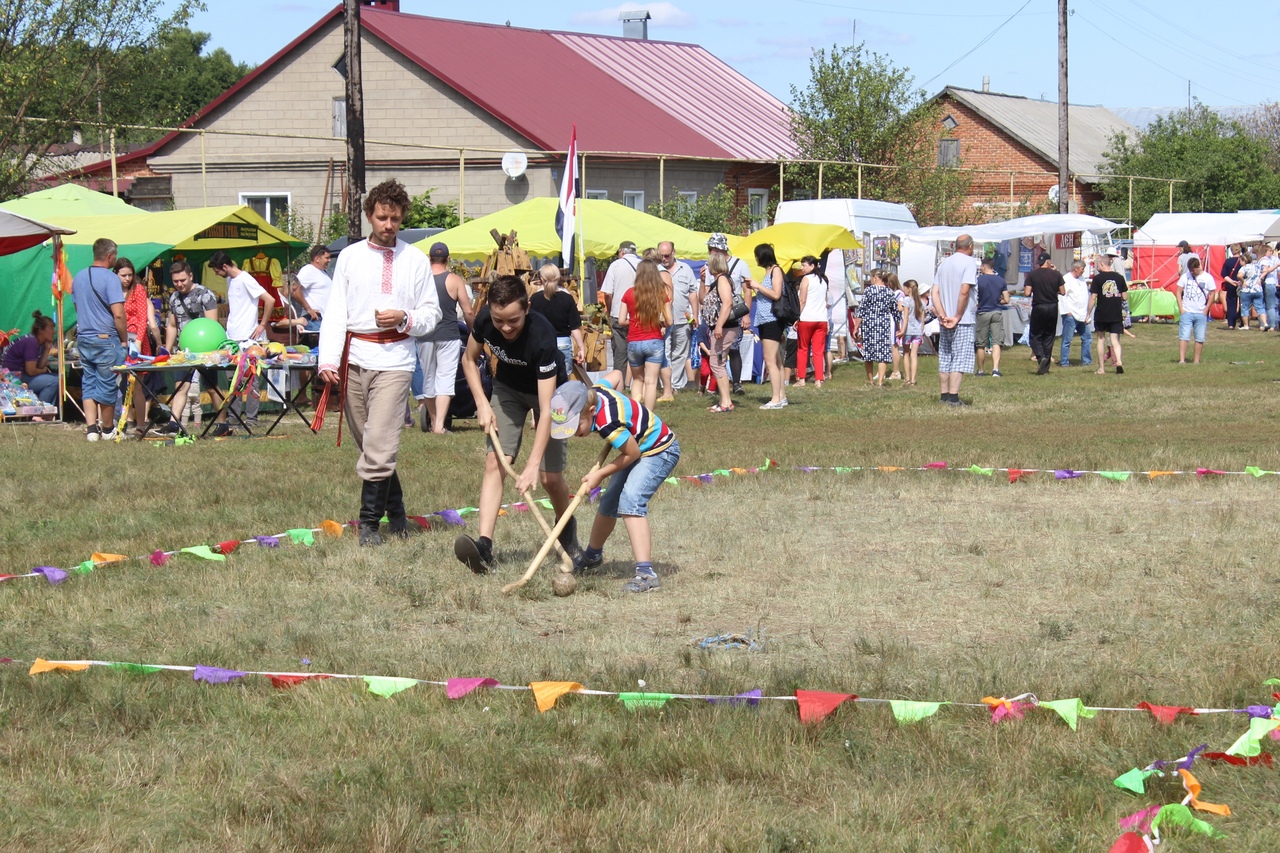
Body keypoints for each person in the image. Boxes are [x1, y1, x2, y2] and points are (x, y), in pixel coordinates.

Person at [318, 178, 441, 546]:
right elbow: (336, 311)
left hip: (396, 360)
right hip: (354, 357)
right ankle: (398, 514)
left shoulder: (416, 260)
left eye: (396, 219)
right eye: (383, 217)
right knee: (372, 445)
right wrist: (327, 360)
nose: (389, 225)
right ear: (370, 216)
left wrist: (404, 318)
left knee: (381, 443)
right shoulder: (351, 258)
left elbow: (431, 314)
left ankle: (369, 525)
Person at [454, 274, 575, 574]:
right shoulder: (483, 319)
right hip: (508, 390)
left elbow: (546, 409)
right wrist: (482, 403)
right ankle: (484, 546)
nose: (506, 328)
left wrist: (533, 464)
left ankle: (568, 531)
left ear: (527, 309)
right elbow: (469, 361)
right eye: (499, 321)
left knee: (549, 479)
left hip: (552, 396)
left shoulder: (542, 336)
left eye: (514, 320)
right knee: (496, 461)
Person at [554, 370, 680, 593]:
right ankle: (592, 556)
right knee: (609, 502)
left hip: (659, 450)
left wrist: (599, 474)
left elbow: (631, 454)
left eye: (576, 426)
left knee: (631, 502)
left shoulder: (608, 423)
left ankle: (646, 574)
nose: (573, 433)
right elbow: (617, 375)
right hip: (638, 447)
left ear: (591, 411)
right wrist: (626, 414)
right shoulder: (597, 390)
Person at [410, 241, 475, 435]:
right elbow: (468, 310)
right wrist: (472, 332)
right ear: (447, 259)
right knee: (445, 378)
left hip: (425, 335)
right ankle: (439, 425)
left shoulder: (420, 280)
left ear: (429, 258)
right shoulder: (454, 280)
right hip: (449, 335)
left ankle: (434, 420)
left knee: (428, 377)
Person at [161, 261, 230, 436]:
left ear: (191, 276)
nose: (179, 284)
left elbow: (212, 324)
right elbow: (172, 325)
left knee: (212, 386)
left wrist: (211, 351)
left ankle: (223, 424)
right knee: (181, 386)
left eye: (182, 280)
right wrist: (167, 350)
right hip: (184, 351)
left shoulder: (205, 295)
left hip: (205, 350)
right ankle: (174, 423)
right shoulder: (174, 298)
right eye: (175, 281)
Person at [209, 249, 275, 427]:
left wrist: (262, 325)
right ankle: (234, 418)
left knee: (250, 380)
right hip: (232, 338)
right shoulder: (231, 280)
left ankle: (251, 419)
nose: (216, 274)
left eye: (217, 270)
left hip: (247, 337)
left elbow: (269, 300)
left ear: (224, 266)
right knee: (233, 381)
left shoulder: (246, 279)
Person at [70, 237, 128, 441]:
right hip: (106, 338)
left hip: (84, 338)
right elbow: (119, 314)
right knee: (107, 384)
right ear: (110, 256)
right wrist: (124, 340)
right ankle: (107, 429)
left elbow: (78, 308)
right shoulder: (111, 279)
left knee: (89, 382)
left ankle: (91, 429)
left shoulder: (79, 277)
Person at [700, 233, 752, 395]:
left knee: (733, 350)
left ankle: (736, 383)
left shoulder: (739, 264)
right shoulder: (711, 268)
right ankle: (722, 388)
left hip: (731, 317)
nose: (709, 252)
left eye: (711, 248)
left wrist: (746, 314)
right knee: (719, 356)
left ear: (719, 249)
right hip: (718, 318)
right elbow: (705, 298)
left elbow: (746, 291)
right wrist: (702, 281)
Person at [117, 257, 162, 436]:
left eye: (130, 275)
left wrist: (137, 343)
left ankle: (141, 424)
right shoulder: (112, 291)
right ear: (116, 275)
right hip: (118, 340)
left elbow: (144, 319)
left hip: (136, 340)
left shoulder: (139, 290)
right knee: (121, 385)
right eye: (123, 275)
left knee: (136, 385)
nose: (127, 279)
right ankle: (124, 421)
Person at [930, 234, 977, 404]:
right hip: (961, 319)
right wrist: (957, 315)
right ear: (970, 246)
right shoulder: (969, 262)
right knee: (960, 357)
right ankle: (953, 397)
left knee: (945, 356)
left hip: (945, 319)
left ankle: (944, 395)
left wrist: (942, 314)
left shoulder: (944, 263)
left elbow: (934, 292)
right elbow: (964, 291)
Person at [619, 259, 671, 410]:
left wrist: (635, 321)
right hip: (654, 340)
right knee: (651, 381)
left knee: (637, 380)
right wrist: (657, 322)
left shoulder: (629, 293)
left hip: (634, 341)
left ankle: (635, 413)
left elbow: (621, 320)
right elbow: (670, 320)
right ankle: (648, 416)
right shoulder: (660, 294)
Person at [747, 243, 787, 409]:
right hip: (765, 319)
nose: (756, 259)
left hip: (772, 319)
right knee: (776, 360)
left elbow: (776, 294)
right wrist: (757, 289)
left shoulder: (776, 270)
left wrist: (758, 286)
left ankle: (776, 398)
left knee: (770, 360)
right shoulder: (768, 272)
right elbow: (767, 295)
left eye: (757, 255)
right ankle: (781, 396)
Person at [657, 241, 698, 394]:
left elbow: (692, 293)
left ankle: (675, 384)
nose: (664, 259)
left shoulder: (685, 269)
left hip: (682, 318)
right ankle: (665, 385)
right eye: (661, 256)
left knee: (680, 353)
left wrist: (694, 315)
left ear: (674, 252)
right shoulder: (655, 270)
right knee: (664, 352)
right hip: (662, 321)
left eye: (667, 255)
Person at [700, 252, 738, 413]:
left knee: (717, 363)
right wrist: (703, 282)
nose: (707, 267)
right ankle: (724, 400)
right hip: (722, 327)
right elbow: (703, 300)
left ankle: (726, 402)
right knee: (718, 363)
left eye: (708, 264)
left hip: (725, 327)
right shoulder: (717, 280)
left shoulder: (722, 279)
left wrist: (719, 326)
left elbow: (727, 303)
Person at [599, 240, 641, 383]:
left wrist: (611, 310)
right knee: (639, 352)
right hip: (640, 315)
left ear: (621, 252)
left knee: (620, 353)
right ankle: (638, 382)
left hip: (618, 315)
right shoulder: (643, 266)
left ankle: (621, 383)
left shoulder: (615, 265)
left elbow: (607, 293)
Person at [2, 311, 57, 405]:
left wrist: (47, 349)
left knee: (58, 378)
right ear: (41, 330)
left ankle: (48, 413)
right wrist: (44, 371)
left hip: (20, 375)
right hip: (11, 377)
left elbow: (39, 367)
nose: (54, 331)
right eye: (51, 328)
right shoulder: (31, 342)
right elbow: (31, 371)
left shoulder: (40, 343)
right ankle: (40, 413)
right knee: (54, 381)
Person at [853, 269, 897, 387]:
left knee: (869, 353)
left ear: (875, 278)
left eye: (871, 277)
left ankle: (870, 380)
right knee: (882, 353)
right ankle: (881, 381)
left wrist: (856, 327)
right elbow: (895, 312)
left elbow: (861, 310)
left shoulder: (869, 291)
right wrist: (899, 327)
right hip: (883, 324)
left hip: (869, 324)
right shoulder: (889, 292)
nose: (870, 280)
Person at [1023, 252, 1065, 375]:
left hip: (1039, 306)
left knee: (1035, 336)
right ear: (1049, 262)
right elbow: (1063, 291)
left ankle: (1041, 357)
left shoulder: (1032, 274)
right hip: (1052, 306)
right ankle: (1045, 368)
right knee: (1049, 336)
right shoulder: (1056, 274)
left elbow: (1026, 293)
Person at [1088, 251, 1128, 375]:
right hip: (1115, 312)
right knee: (1115, 339)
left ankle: (1101, 368)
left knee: (1101, 339)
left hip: (1102, 312)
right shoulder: (1119, 277)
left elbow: (1093, 297)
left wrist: (1088, 313)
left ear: (1101, 264)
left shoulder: (1098, 279)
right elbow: (1125, 297)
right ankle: (1119, 361)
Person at [795, 255, 829, 389]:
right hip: (821, 318)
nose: (802, 268)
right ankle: (819, 379)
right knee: (818, 351)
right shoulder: (823, 280)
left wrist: (796, 317)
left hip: (807, 317)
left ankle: (801, 378)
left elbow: (802, 300)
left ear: (812, 266)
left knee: (803, 348)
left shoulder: (806, 279)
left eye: (804, 265)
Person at [1176, 256, 1215, 364]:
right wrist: (1181, 308)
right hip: (1186, 311)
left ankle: (1196, 361)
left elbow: (1212, 293)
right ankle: (1182, 360)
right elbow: (1178, 291)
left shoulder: (1208, 278)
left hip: (1201, 312)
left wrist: (1206, 309)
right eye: (1190, 270)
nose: (1192, 272)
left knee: (1200, 337)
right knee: (1184, 336)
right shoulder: (1185, 277)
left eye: (1193, 270)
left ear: (1199, 267)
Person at [973, 256, 1008, 377]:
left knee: (981, 343)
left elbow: (974, 297)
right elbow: (1006, 299)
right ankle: (995, 370)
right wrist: (999, 302)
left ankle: (981, 370)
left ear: (983, 267)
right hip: (996, 312)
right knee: (996, 342)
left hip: (983, 311)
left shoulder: (979, 280)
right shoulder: (1001, 280)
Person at [1058, 259, 1093, 368]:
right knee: (1067, 339)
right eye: (1082, 269)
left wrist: (1087, 313)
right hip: (1071, 313)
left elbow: (1084, 295)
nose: (1083, 271)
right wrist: (1067, 312)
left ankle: (1086, 360)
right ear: (1075, 269)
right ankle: (1064, 362)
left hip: (1082, 314)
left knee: (1087, 337)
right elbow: (1062, 296)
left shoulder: (1082, 279)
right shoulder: (1066, 279)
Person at [899, 279, 925, 387]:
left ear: (909, 289)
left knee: (906, 354)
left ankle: (907, 378)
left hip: (908, 331)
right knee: (914, 355)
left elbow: (905, 317)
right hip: (918, 332)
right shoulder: (921, 302)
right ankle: (913, 380)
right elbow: (922, 320)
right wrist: (922, 333)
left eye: (905, 288)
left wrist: (902, 330)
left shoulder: (906, 300)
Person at [1238, 251, 1264, 331]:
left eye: (1240, 261)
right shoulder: (1257, 266)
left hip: (1247, 290)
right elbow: (1265, 270)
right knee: (1260, 307)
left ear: (1244, 261)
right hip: (1257, 289)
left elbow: (1239, 275)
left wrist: (1243, 281)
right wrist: (1260, 278)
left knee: (1245, 307)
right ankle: (1264, 324)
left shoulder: (1244, 267)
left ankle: (1246, 325)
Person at [1221, 244, 1244, 330]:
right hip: (1242, 283)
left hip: (1231, 284)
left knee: (1231, 303)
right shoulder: (1243, 260)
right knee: (1243, 303)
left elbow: (1223, 274)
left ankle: (1231, 323)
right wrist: (1240, 281)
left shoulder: (1228, 261)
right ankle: (1243, 322)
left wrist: (1231, 281)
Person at [1258, 243, 1280, 331]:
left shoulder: (1263, 260)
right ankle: (1271, 325)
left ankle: (1263, 324)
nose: (1271, 252)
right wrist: (1276, 266)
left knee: (1262, 304)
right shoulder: (1265, 260)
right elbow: (1266, 270)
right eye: (1270, 251)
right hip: (1269, 283)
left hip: (1267, 283)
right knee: (1271, 306)